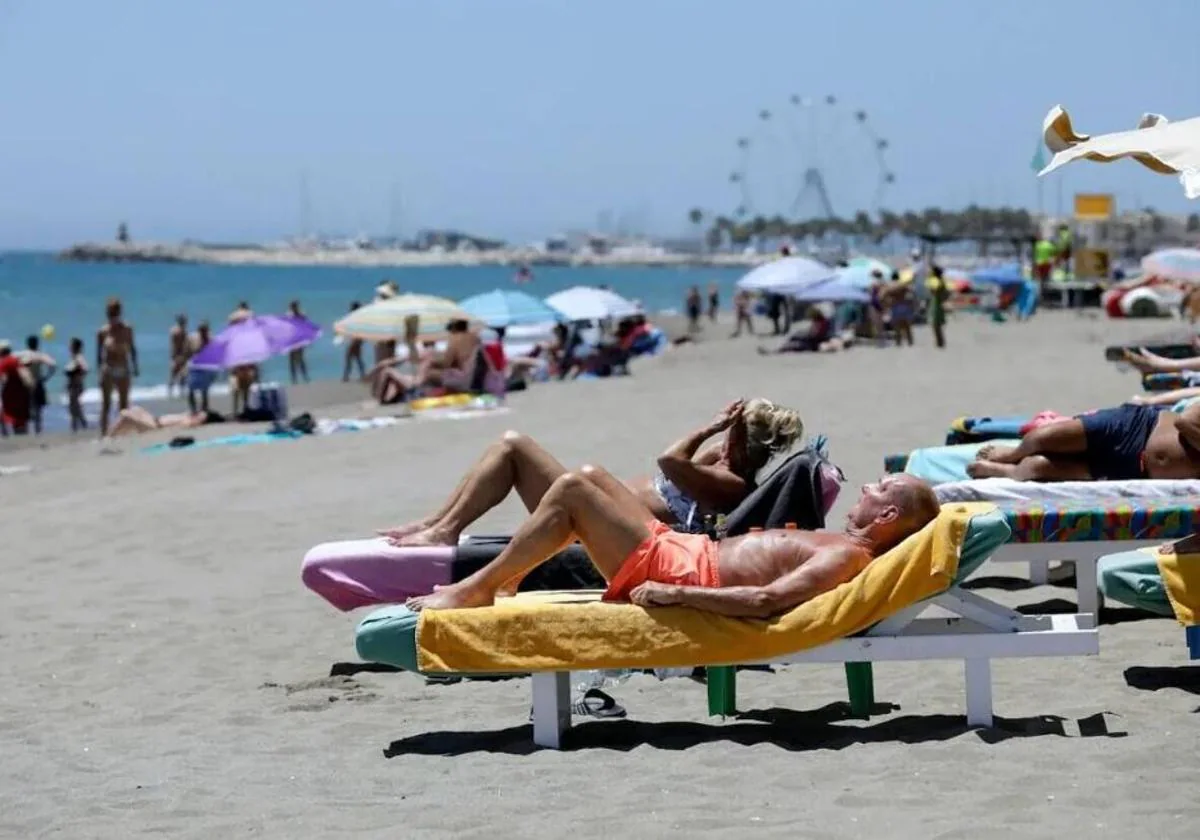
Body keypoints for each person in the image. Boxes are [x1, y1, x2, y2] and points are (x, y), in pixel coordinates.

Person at [406, 471, 938, 613]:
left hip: (680, 572)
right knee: (589, 475)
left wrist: (679, 596)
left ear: (888, 515)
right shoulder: (840, 543)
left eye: (880, 490)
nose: (866, 488)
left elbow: (767, 601)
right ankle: (512, 573)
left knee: (571, 491)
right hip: (682, 550)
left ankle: (478, 586)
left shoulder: (847, 554)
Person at [381, 398, 803, 547]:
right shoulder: (720, 459)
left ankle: (446, 530)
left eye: (733, 426)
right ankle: (439, 523)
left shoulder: (733, 483)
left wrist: (710, 426)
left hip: (603, 533)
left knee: (514, 446)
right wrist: (718, 437)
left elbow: (669, 460)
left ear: (742, 435)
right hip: (596, 517)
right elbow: (679, 461)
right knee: (510, 444)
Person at [966, 400, 1200, 481]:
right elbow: (1183, 422)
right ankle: (1013, 454)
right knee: (1042, 438)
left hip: (1137, 470)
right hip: (1139, 427)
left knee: (1038, 468)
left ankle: (1004, 471)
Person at [97, 297, 138, 437]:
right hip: (108, 368)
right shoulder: (103, 331)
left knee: (124, 404)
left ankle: (122, 432)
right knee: (106, 404)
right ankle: (104, 434)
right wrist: (99, 371)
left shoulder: (127, 329)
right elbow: (99, 354)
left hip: (123, 367)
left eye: (115, 312)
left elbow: (133, 348)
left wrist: (135, 366)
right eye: (110, 312)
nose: (112, 315)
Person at [105, 405, 226, 438]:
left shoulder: (191, 423)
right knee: (136, 409)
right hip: (155, 420)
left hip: (156, 428)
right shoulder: (189, 416)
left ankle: (108, 438)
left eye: (201, 415)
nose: (198, 414)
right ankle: (116, 436)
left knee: (126, 416)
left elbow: (175, 429)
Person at [20, 335, 57, 435]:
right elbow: (53, 364)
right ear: (37, 344)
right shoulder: (40, 355)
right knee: (38, 411)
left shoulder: (23, 354)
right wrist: (47, 377)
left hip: (26, 384)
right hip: (38, 382)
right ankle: (38, 431)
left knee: (25, 409)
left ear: (27, 344)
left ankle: (25, 432)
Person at [0, 341, 33, 435]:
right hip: (22, 394)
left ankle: (6, 438)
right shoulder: (16, 360)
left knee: (6, 419)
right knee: (20, 421)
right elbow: (26, 376)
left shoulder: (4, 363)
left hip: (10, 397)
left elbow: (3, 379)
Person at [186, 321, 215, 414]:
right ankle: (193, 409)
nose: (203, 332)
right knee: (191, 389)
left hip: (205, 366)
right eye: (201, 330)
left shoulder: (210, 339)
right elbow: (189, 351)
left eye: (204, 330)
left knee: (204, 390)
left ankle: (204, 409)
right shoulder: (193, 337)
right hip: (195, 366)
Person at [64, 338, 89, 432]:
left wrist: (79, 378)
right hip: (73, 386)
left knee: (74, 408)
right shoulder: (74, 357)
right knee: (75, 408)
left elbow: (85, 368)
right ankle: (81, 426)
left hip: (75, 386)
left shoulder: (78, 357)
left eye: (70, 345)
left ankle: (76, 427)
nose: (69, 347)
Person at [286, 299, 311, 384]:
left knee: (300, 359)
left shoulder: (300, 314)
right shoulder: (290, 315)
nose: (293, 308)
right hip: (292, 339)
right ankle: (295, 378)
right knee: (292, 359)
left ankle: (304, 376)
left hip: (298, 338)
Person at [342, 301, 367, 382]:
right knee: (357, 358)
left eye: (351, 308)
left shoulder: (356, 317)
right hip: (358, 339)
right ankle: (363, 375)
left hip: (356, 339)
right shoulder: (359, 317)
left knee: (349, 357)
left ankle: (346, 376)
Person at [167, 314, 190, 397]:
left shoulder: (177, 331)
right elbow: (177, 345)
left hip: (179, 355)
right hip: (178, 355)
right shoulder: (179, 331)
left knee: (179, 374)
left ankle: (175, 391)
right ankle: (173, 391)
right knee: (177, 374)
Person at [927, 265, 949, 349]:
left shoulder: (939, 281)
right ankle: (939, 342)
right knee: (936, 324)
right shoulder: (940, 281)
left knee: (935, 324)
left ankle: (940, 342)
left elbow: (933, 290)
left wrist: (929, 278)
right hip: (937, 303)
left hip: (937, 304)